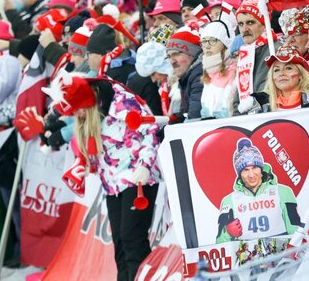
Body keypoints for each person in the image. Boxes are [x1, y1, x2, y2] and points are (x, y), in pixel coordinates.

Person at [46, 74, 160, 281]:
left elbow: (150, 131)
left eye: (77, 110)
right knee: (120, 244)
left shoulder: (121, 103)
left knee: (132, 239)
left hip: (138, 178)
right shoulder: (89, 116)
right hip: (113, 183)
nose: (77, 115)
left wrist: (144, 166)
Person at [216, 138, 302, 243]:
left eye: (255, 168)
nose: (251, 175)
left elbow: (297, 231)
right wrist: (227, 233)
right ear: (239, 174)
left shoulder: (284, 192)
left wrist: (293, 256)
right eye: (245, 170)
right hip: (248, 258)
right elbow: (220, 245)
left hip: (281, 256)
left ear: (261, 169)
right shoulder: (229, 201)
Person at [234, 0, 277, 114]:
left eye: (250, 22)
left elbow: (267, 91)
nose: (244, 29)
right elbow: (237, 99)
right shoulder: (244, 52)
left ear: (264, 24)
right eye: (241, 24)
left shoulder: (275, 50)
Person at [261, 45, 309, 112]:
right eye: (276, 70)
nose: (281, 73)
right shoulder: (263, 106)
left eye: (288, 68)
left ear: (301, 75)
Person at [199, 19, 236, 119]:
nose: (207, 46)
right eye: (204, 41)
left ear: (225, 44)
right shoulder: (208, 71)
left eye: (212, 40)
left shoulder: (235, 70)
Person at [165, 27, 203, 120]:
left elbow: (194, 118)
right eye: (169, 56)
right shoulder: (187, 76)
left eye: (176, 54)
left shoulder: (199, 75)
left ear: (192, 54)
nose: (172, 61)